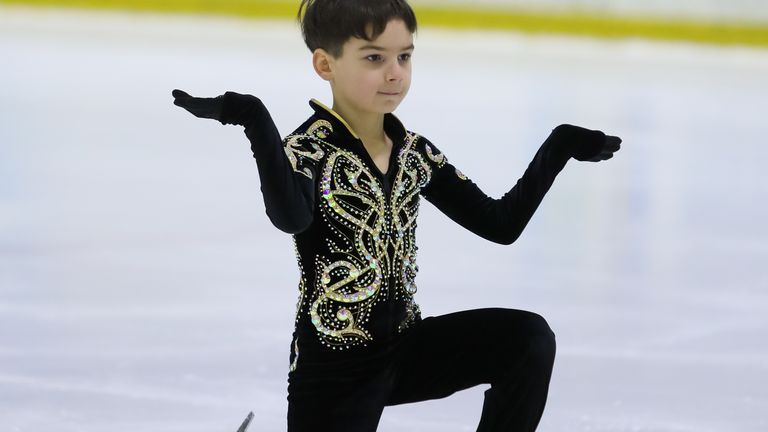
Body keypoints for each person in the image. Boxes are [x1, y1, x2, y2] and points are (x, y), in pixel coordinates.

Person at [171, 0, 621, 430]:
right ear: (325, 65)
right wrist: (255, 119)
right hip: (335, 368)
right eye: (374, 58)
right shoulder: (309, 150)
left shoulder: (414, 153)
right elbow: (291, 218)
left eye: (404, 57)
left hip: (408, 347)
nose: (394, 74)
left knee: (527, 339)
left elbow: (500, 226)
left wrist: (558, 146)